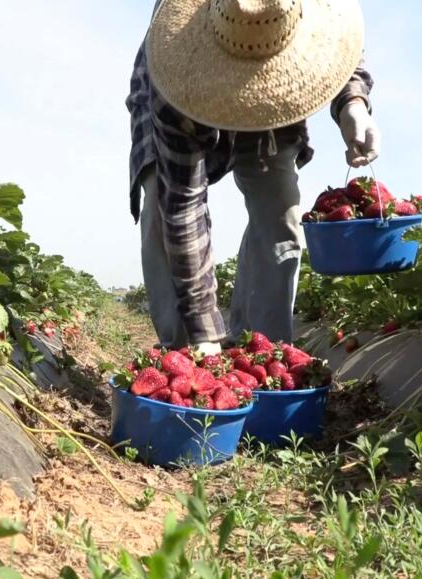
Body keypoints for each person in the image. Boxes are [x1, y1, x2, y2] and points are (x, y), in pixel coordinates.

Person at [127, 0, 379, 355]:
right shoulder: (174, 78)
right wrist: (203, 328)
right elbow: (183, 203)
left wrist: (353, 103)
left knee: (280, 214)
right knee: (159, 210)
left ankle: (264, 351)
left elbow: (341, 43)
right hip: (186, 83)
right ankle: (184, 353)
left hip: (282, 80)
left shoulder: (294, 34)